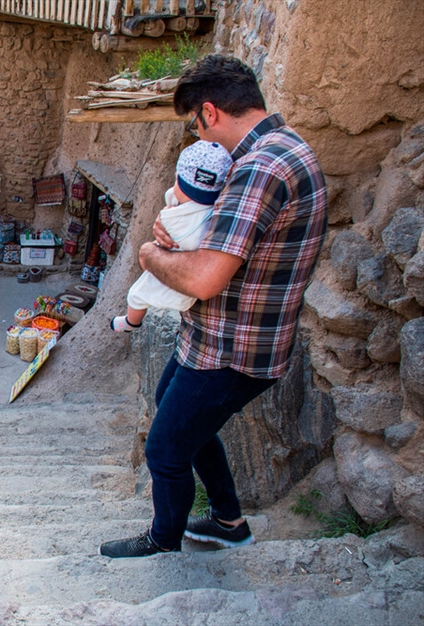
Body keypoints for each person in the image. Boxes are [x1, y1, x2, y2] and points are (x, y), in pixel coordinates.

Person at [99, 54, 328, 559]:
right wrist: (177, 237)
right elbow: (224, 240)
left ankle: (163, 540)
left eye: (196, 126)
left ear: (210, 112)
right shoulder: (283, 148)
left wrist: (151, 253)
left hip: (233, 349)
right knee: (175, 411)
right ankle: (229, 520)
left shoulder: (260, 168)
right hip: (220, 337)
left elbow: (203, 279)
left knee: (164, 451)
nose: (201, 139)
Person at [111, 141, 234, 332]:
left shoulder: (177, 212)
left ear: (178, 179)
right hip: (187, 276)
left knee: (137, 294)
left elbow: (174, 234)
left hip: (178, 271)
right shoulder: (217, 209)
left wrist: (164, 219)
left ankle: (130, 322)